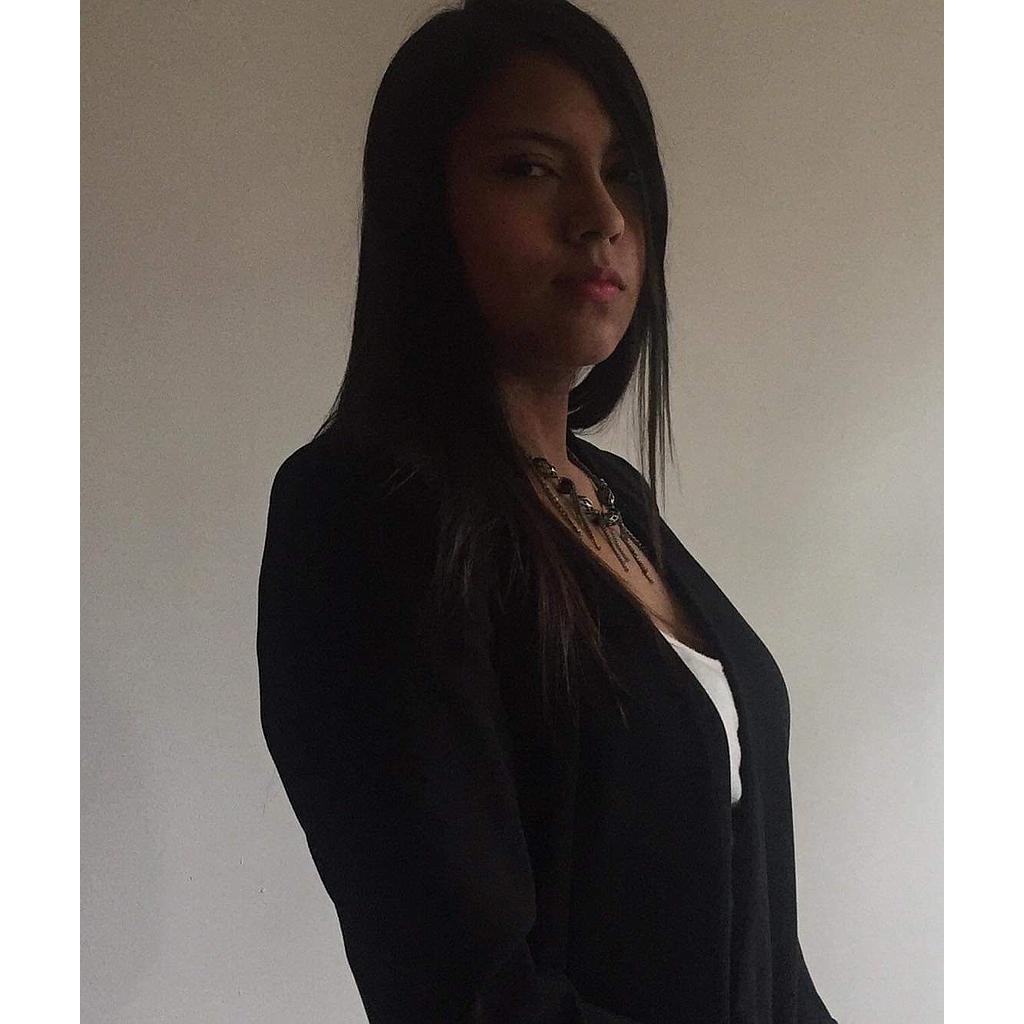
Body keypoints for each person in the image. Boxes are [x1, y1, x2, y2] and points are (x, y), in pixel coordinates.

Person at [256, 2, 839, 1021]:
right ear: (423, 208)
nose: (599, 216)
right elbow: (468, 990)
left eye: (623, 174)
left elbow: (759, 944)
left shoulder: (615, 498)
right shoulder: (362, 509)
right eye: (529, 168)